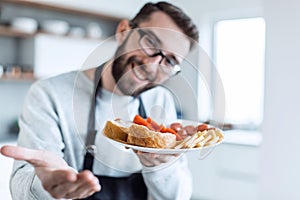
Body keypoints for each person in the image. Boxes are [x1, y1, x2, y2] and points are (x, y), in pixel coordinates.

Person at [0, 2, 199, 200]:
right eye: (150, 43)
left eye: (170, 61)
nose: (151, 65)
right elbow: (21, 186)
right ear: (123, 31)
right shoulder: (50, 93)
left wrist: (159, 166)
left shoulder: (160, 99)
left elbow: (178, 196)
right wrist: (46, 185)